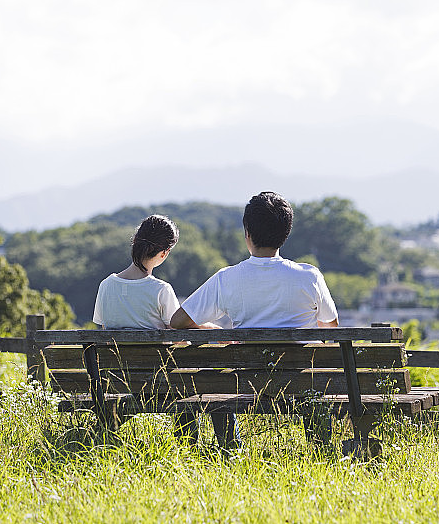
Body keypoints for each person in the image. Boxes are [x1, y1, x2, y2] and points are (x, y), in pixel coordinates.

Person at [170, 191, 339, 447]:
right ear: (286, 233)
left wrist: (209, 328)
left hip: (245, 379)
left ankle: (231, 449)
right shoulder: (309, 276)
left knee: (211, 376)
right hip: (302, 380)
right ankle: (320, 449)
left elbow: (178, 321)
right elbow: (330, 329)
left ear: (247, 233)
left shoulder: (226, 278)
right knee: (315, 375)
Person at [92, 214, 180, 330]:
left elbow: (104, 329)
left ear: (135, 241)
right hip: (155, 349)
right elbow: (178, 337)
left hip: (115, 349)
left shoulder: (106, 285)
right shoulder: (162, 289)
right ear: (164, 253)